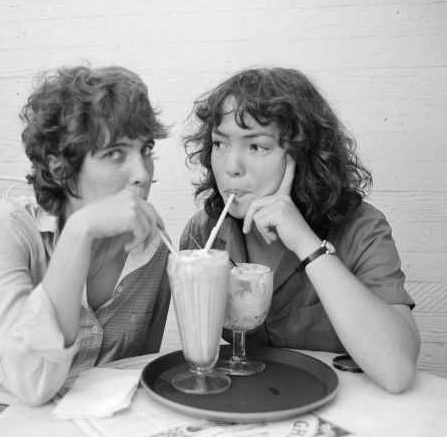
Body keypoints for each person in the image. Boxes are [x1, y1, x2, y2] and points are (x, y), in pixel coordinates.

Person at [0, 64, 171, 437]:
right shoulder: (4, 230)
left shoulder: (152, 246)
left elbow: (132, 375)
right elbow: (31, 384)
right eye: (115, 153)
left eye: (146, 149)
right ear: (60, 165)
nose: (142, 173)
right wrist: (79, 232)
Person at [180, 67, 420, 394]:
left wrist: (307, 244)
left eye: (257, 147)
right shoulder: (204, 234)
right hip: (245, 407)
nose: (230, 167)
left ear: (302, 153)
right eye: (220, 143)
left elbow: (397, 371)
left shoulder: (361, 229)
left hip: (344, 407)